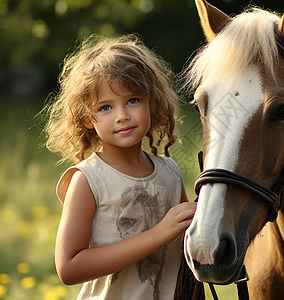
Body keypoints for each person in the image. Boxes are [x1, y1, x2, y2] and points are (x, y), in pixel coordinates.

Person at [42, 34, 197, 299]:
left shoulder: (170, 172)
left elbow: (186, 247)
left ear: (152, 100)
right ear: (87, 118)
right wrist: (158, 234)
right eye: (105, 107)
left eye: (133, 101)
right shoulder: (88, 180)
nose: (122, 115)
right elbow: (68, 268)